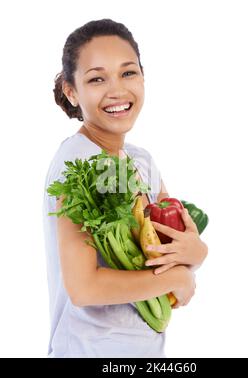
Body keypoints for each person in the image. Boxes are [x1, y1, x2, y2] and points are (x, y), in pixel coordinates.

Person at [43, 19, 208, 358]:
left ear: (143, 77)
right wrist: (178, 280)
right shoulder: (79, 162)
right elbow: (83, 287)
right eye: (97, 78)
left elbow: (170, 242)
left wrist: (197, 253)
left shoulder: (141, 160)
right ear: (72, 91)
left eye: (128, 73)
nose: (117, 90)